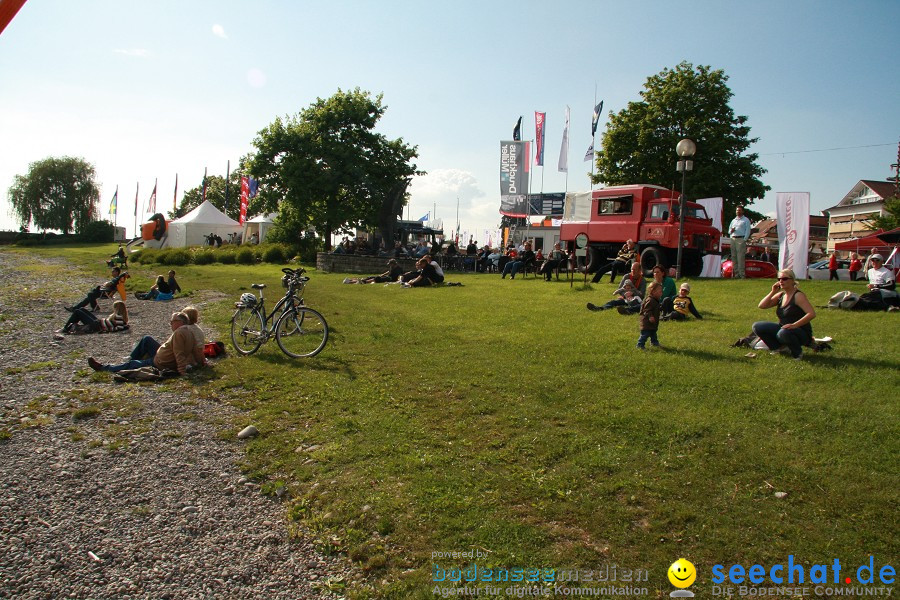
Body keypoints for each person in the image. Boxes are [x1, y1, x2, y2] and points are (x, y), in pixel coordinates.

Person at [88, 312, 204, 374]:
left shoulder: (179, 333)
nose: (170, 324)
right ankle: (130, 358)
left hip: (160, 362)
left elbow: (179, 353)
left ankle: (105, 368)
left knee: (133, 365)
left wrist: (182, 371)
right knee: (147, 339)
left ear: (179, 322)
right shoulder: (189, 332)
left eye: (172, 321)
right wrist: (202, 363)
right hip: (165, 355)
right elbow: (196, 350)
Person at [752, 269, 816, 359]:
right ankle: (778, 348)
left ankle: (797, 353)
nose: (781, 281)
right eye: (779, 279)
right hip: (784, 328)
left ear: (792, 280)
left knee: (783, 333)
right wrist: (773, 292)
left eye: (784, 279)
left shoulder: (798, 296)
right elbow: (762, 305)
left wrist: (794, 325)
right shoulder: (781, 295)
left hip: (800, 332)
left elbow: (811, 314)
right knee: (757, 326)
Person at [59, 300, 129, 334]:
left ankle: (66, 328)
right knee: (81, 309)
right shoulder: (121, 317)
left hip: (97, 326)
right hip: (98, 323)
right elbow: (123, 326)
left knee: (77, 311)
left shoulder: (118, 316)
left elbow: (119, 328)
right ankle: (69, 327)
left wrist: (107, 330)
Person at [637, 281, 663, 350]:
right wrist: (650, 316)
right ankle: (640, 344)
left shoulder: (655, 300)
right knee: (645, 334)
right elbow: (646, 310)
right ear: (653, 291)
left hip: (652, 323)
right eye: (660, 291)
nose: (661, 293)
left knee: (653, 333)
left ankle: (654, 342)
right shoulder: (650, 300)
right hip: (647, 322)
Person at [728, 206, 752, 278]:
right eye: (737, 210)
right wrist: (731, 231)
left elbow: (748, 230)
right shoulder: (733, 220)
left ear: (742, 211)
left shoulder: (745, 220)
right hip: (733, 238)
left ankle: (742, 274)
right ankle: (736, 274)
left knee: (740, 257)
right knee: (734, 256)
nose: (738, 211)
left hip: (740, 239)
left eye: (739, 210)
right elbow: (729, 230)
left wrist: (744, 239)